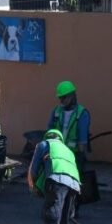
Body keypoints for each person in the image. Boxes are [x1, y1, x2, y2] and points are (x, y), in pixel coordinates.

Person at [28, 129, 80, 224]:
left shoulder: (44, 144)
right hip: (74, 185)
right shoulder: (68, 150)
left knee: (52, 218)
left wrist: (34, 188)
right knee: (64, 219)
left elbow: (33, 169)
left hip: (56, 181)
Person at [47, 80, 90, 216]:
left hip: (75, 155)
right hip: (58, 154)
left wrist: (82, 156)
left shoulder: (82, 113)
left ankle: (72, 210)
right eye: (60, 97)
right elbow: (50, 131)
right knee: (58, 184)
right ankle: (61, 209)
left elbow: (83, 138)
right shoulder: (56, 112)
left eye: (64, 97)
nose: (61, 100)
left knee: (74, 185)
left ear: (72, 96)